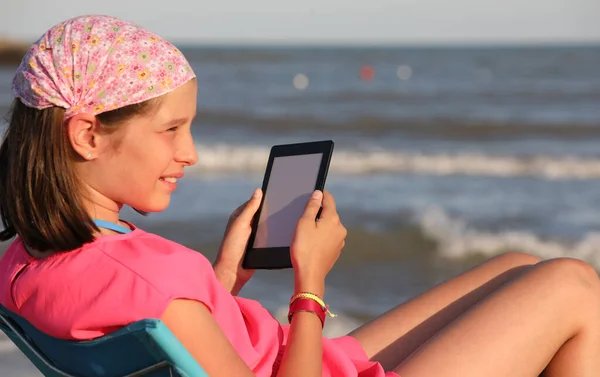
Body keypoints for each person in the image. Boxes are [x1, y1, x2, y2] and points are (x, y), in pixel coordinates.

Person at [0, 15, 598, 377]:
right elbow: (161, 302)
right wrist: (309, 283)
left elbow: (173, 333)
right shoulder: (155, 279)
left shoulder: (25, 259)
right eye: (171, 130)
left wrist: (223, 280)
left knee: (520, 269)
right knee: (571, 283)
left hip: (295, 358)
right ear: (86, 134)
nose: (190, 153)